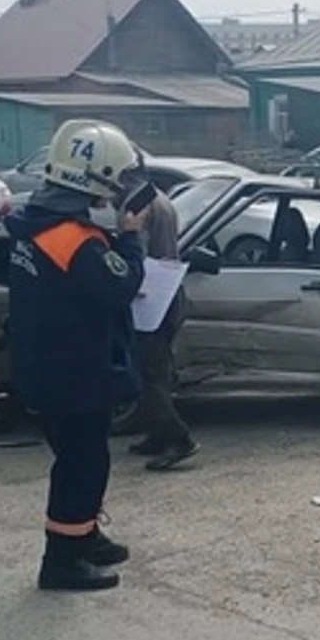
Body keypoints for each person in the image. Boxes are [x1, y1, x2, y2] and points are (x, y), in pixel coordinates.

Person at [7, 119, 150, 592]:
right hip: (75, 373)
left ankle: (84, 534)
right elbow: (121, 286)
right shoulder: (75, 240)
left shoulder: (33, 224)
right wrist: (131, 237)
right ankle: (62, 561)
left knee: (80, 457)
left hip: (46, 364)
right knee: (82, 464)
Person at [123, 169, 199, 472]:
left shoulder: (135, 206)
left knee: (147, 373)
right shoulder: (159, 197)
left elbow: (136, 256)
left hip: (151, 296)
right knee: (157, 369)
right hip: (168, 291)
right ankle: (157, 434)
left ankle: (177, 438)